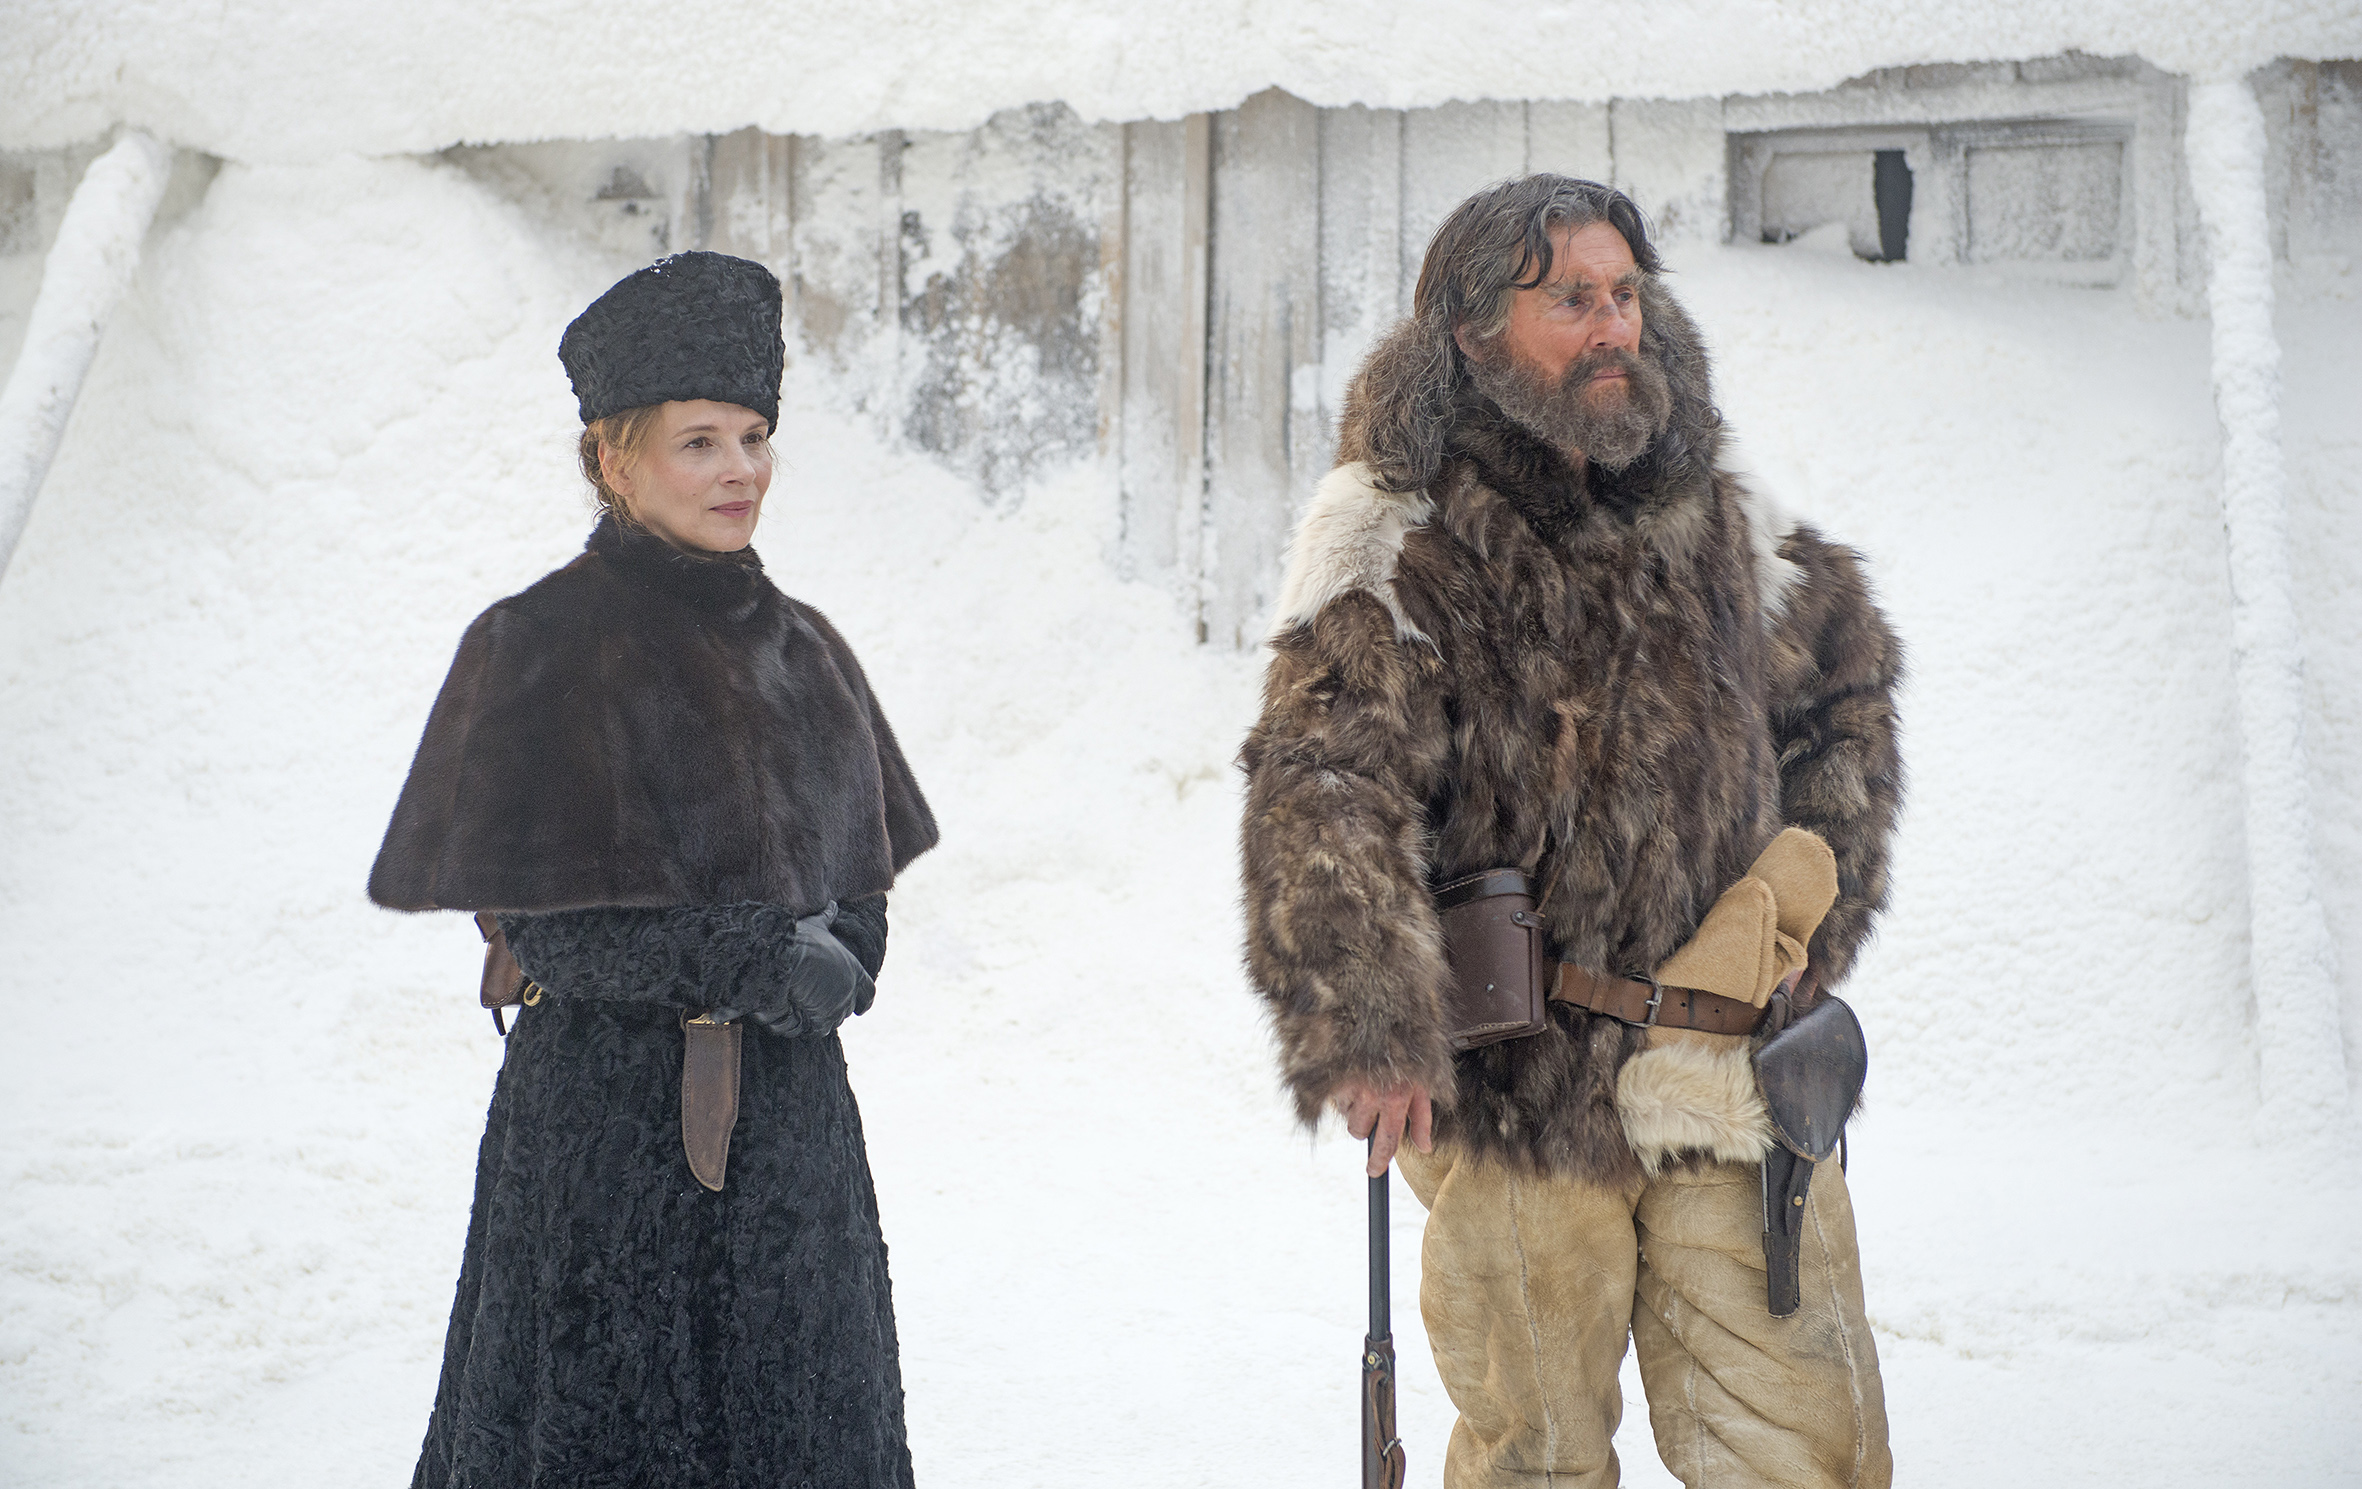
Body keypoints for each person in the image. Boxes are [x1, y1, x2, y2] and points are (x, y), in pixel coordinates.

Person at [1239, 176, 1903, 1488]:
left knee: (1803, 1447)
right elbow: (1325, 788)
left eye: (1623, 295)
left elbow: (1845, 687)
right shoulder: (1391, 529)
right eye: (1570, 301)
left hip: (1729, 1069)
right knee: (1536, 1455)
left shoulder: (1716, 507)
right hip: (1513, 1085)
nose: (1612, 327)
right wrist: (1371, 1025)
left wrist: (1807, 903)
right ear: (1473, 332)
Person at [369, 250, 939, 1489]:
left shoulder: (803, 650)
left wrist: (840, 952)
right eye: (699, 443)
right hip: (603, 1152)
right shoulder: (536, 649)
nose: (740, 469)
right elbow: (561, 931)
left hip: (791, 1150)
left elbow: (861, 883)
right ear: (613, 458)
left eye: (752, 437)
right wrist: (759, 954)